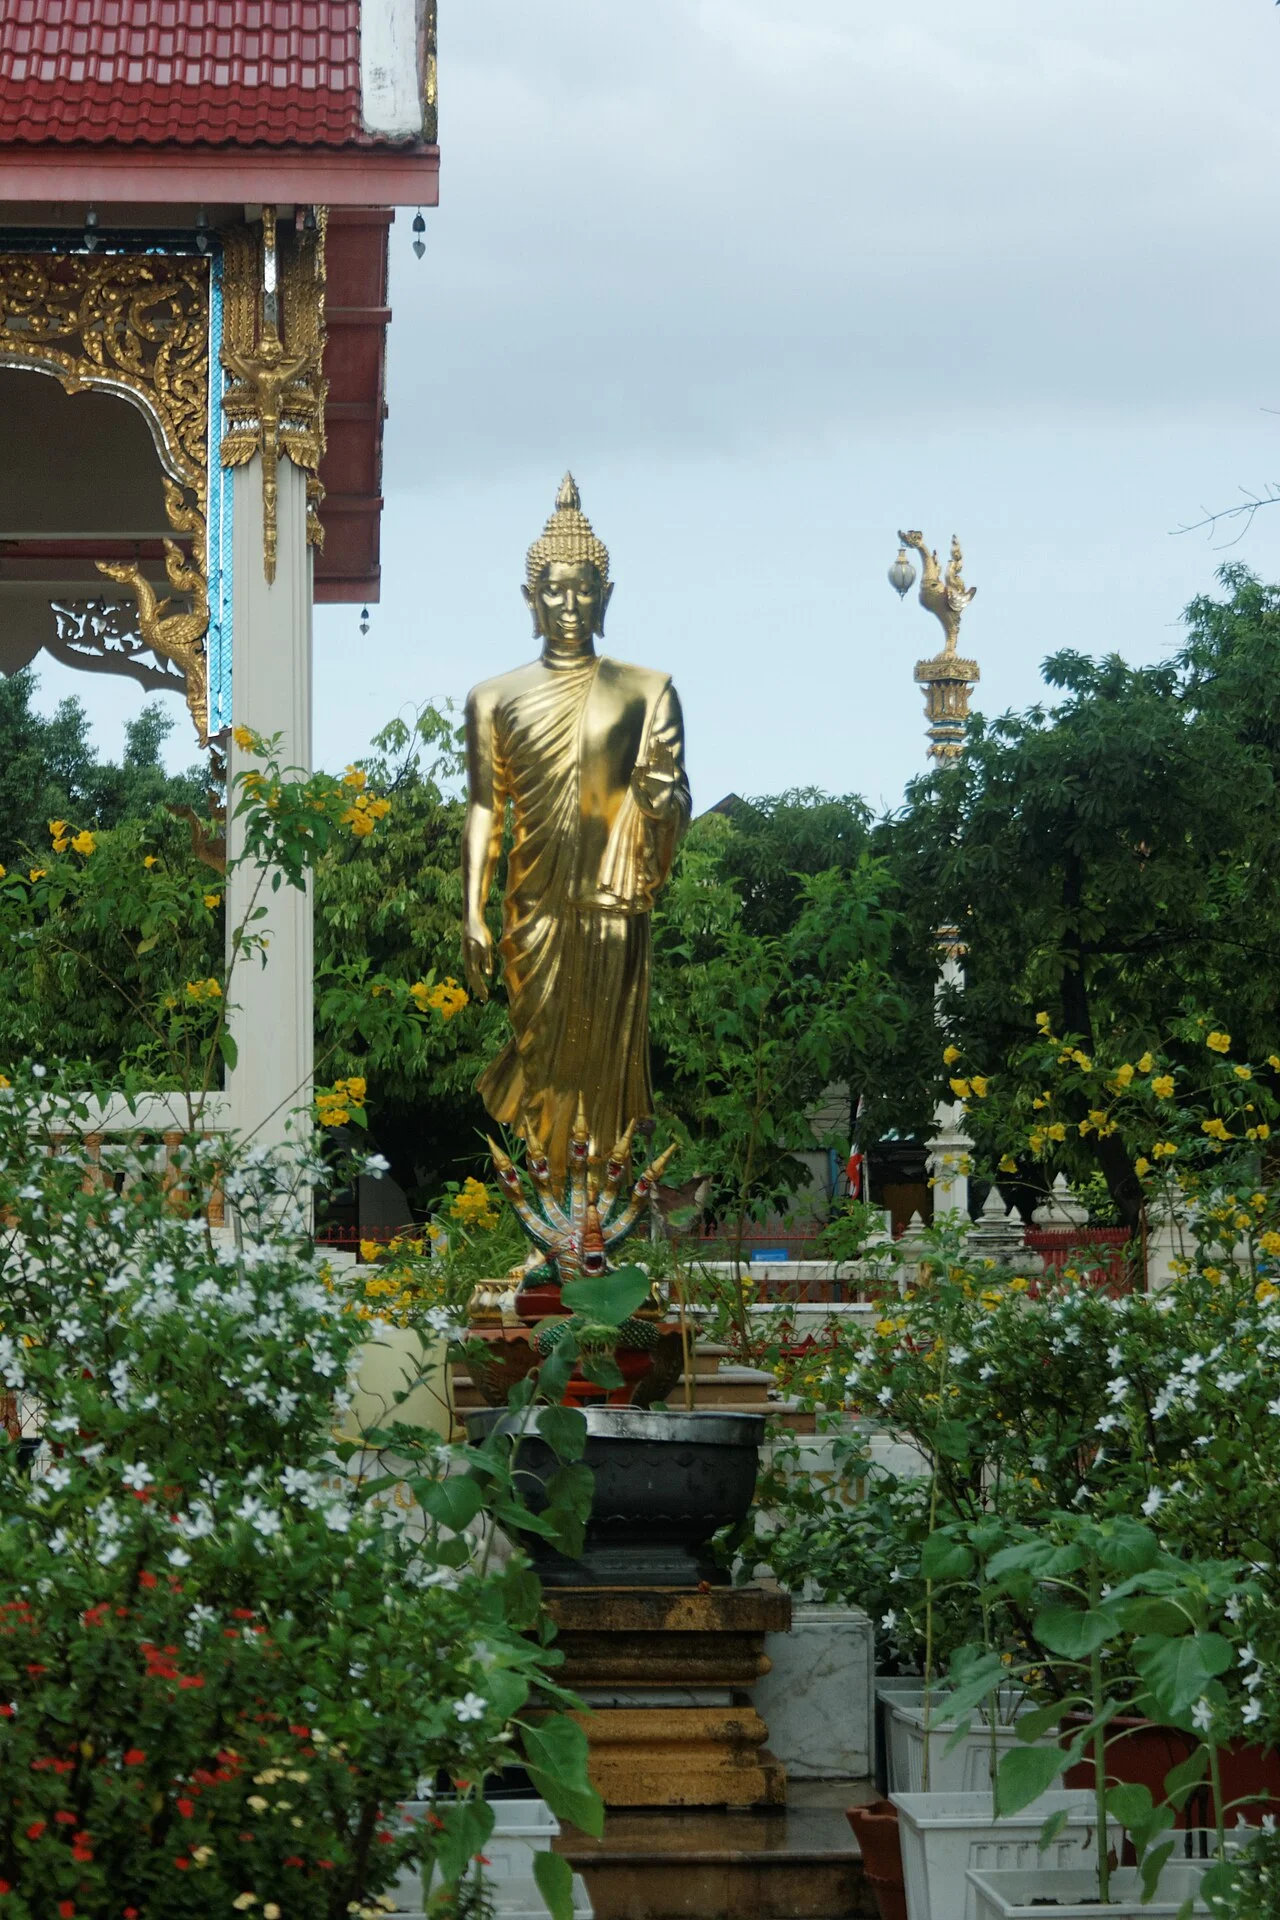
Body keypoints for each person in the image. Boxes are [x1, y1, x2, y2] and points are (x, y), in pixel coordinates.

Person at [462, 475, 690, 1181]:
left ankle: (596, 1197)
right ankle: (550, 1195)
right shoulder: (494, 697)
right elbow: (484, 809)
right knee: (542, 1058)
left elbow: (673, 798)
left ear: (606, 596)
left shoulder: (647, 691)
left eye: (584, 589)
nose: (568, 604)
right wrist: (471, 912)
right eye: (554, 590)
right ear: (530, 599)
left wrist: (660, 801)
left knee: (602, 1064)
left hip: (611, 903)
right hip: (531, 908)